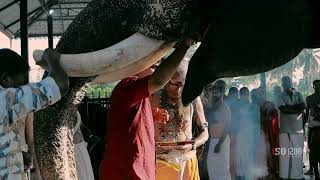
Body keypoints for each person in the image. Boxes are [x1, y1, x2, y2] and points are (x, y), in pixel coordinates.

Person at [99, 37, 198, 180]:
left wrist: (151, 117)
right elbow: (158, 80)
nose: (156, 69)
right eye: (154, 65)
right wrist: (185, 46)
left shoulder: (137, 92)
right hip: (127, 173)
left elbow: (130, 124)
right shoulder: (128, 86)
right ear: (139, 63)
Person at [0, 48, 69, 179]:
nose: (24, 89)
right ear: (5, 78)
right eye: (20, 86)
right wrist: (52, 60)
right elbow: (61, 85)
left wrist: (17, 154)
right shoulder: (6, 100)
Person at [153, 60, 209, 180]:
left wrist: (193, 145)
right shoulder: (153, 97)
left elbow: (205, 134)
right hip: (160, 163)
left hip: (187, 161)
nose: (178, 90)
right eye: (174, 84)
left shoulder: (193, 97)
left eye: (181, 85)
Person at [278, 76, 306, 180]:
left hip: (298, 128)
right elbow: (283, 109)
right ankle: (284, 176)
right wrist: (297, 108)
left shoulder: (298, 94)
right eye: (283, 82)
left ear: (291, 83)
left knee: (297, 153)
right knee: (284, 154)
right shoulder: (279, 95)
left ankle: (297, 176)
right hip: (285, 129)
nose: (285, 84)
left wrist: (290, 108)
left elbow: (303, 106)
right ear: (282, 84)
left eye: (287, 82)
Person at [203, 80, 231, 180]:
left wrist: (219, 144)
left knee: (222, 168)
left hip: (221, 141)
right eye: (212, 93)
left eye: (216, 93)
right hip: (213, 140)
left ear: (221, 94)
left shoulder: (224, 107)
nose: (214, 95)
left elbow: (227, 128)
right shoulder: (212, 108)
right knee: (212, 166)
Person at [254, 87, 280, 179]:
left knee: (271, 151)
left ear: (265, 94)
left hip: (269, 132)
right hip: (259, 132)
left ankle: (273, 171)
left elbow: (275, 118)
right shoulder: (255, 104)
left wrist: (268, 119)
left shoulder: (270, 104)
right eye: (259, 93)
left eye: (262, 92)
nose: (261, 94)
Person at [235, 87, 260, 180]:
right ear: (239, 95)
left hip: (250, 135)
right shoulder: (237, 108)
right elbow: (234, 122)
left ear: (248, 95)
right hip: (240, 135)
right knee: (240, 159)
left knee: (249, 159)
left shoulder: (254, 107)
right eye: (242, 94)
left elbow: (257, 124)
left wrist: (257, 140)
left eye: (245, 94)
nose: (244, 96)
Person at [304, 80, 320, 180]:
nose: (318, 87)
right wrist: (302, 124)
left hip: (316, 127)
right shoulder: (309, 98)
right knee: (311, 149)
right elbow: (307, 113)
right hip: (312, 126)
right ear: (313, 87)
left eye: (319, 85)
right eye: (316, 85)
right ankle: (314, 172)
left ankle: (316, 172)